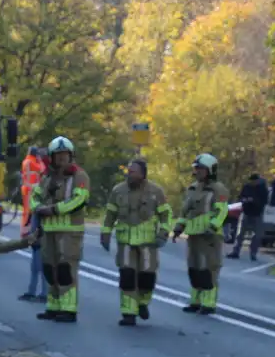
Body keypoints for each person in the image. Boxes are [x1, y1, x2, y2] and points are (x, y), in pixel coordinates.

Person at [100, 159, 172, 326]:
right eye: (129, 171)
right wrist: (105, 233)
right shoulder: (118, 191)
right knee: (127, 276)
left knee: (147, 277)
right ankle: (128, 314)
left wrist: (163, 233)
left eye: (134, 172)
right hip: (125, 242)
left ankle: (142, 303)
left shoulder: (155, 191)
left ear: (143, 174)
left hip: (148, 243)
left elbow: (165, 215)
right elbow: (110, 214)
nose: (130, 174)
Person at [30, 136, 90, 323]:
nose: (62, 158)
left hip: (70, 232)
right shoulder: (46, 177)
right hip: (49, 231)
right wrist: (37, 208)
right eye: (58, 155)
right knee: (49, 268)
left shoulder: (79, 176)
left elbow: (79, 200)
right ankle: (53, 307)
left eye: (65, 155)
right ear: (52, 157)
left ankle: (69, 309)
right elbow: (35, 196)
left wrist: (54, 209)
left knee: (66, 270)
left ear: (71, 156)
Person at [173, 153, 231, 315]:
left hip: (210, 236)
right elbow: (185, 211)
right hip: (194, 235)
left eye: (201, 169)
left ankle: (208, 303)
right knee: (194, 268)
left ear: (210, 170)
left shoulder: (218, 189)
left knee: (209, 268)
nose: (197, 172)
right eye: (196, 169)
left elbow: (222, 211)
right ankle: (195, 301)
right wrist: (178, 228)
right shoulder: (192, 188)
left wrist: (212, 227)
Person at [229, 173, 268, 261]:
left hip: (257, 213)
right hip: (246, 212)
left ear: (257, 181)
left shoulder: (262, 189)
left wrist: (254, 201)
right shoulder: (247, 187)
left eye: (254, 181)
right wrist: (244, 200)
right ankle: (236, 251)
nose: (252, 183)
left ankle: (253, 253)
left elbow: (264, 201)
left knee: (257, 235)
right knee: (240, 234)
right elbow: (241, 196)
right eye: (251, 181)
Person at [20, 146, 47, 235]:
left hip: (27, 188)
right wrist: (40, 160)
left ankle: (25, 230)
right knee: (29, 210)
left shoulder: (26, 161)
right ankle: (26, 231)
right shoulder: (31, 162)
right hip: (30, 189)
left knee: (27, 210)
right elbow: (42, 169)